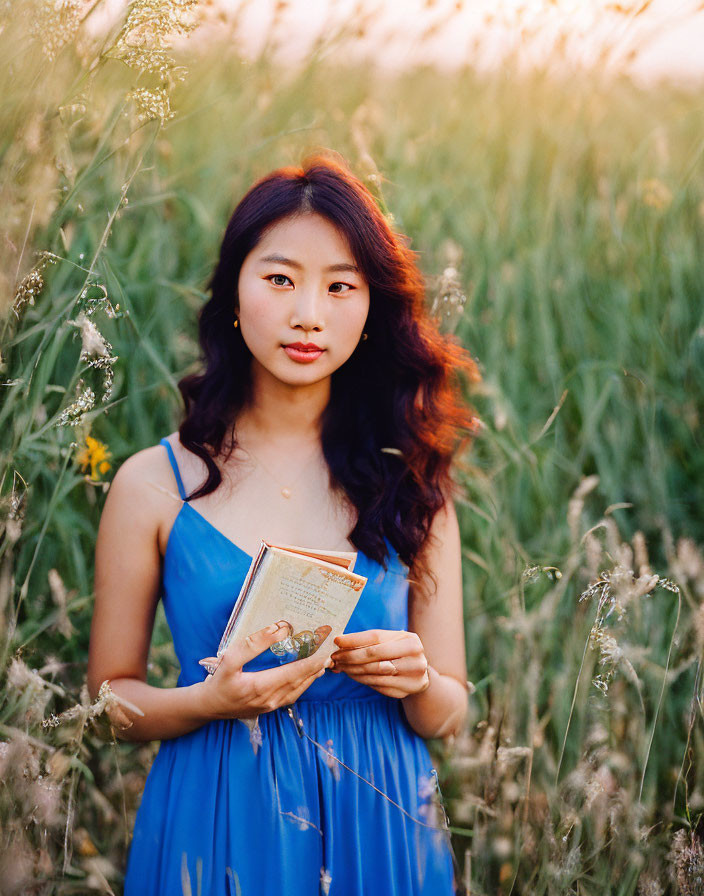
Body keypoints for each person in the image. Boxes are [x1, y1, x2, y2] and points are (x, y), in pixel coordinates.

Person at [87, 152, 479, 895]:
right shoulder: (153, 483)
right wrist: (207, 701)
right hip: (216, 812)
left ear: (371, 311)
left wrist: (418, 679)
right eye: (280, 279)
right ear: (235, 293)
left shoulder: (412, 480)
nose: (308, 314)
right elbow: (109, 700)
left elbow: (449, 711)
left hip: (383, 819)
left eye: (341, 287)